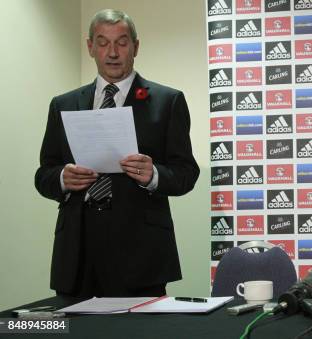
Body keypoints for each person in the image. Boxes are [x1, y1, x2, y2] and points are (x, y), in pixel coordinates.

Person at [34, 9, 199, 297]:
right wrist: (62, 178)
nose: (112, 52)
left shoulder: (167, 101)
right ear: (90, 47)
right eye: (102, 42)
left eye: (122, 42)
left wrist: (154, 175)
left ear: (136, 46)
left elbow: (186, 173)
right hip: (76, 254)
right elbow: (43, 174)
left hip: (141, 255)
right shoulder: (63, 104)